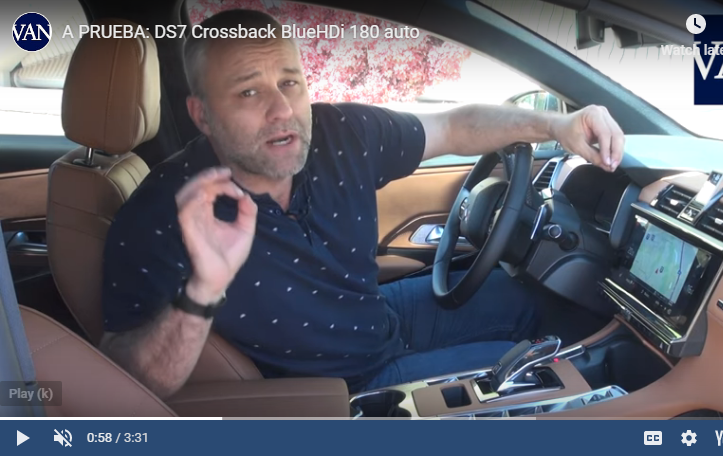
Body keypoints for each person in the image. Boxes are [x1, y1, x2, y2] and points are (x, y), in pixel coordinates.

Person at [100, 9, 624, 399]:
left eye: (289, 82)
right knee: (551, 375)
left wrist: (556, 124)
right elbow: (125, 380)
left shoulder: (339, 134)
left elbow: (453, 126)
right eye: (248, 93)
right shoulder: (161, 215)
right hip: (346, 387)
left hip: (380, 318)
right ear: (201, 114)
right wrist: (203, 289)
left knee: (527, 298)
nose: (282, 110)